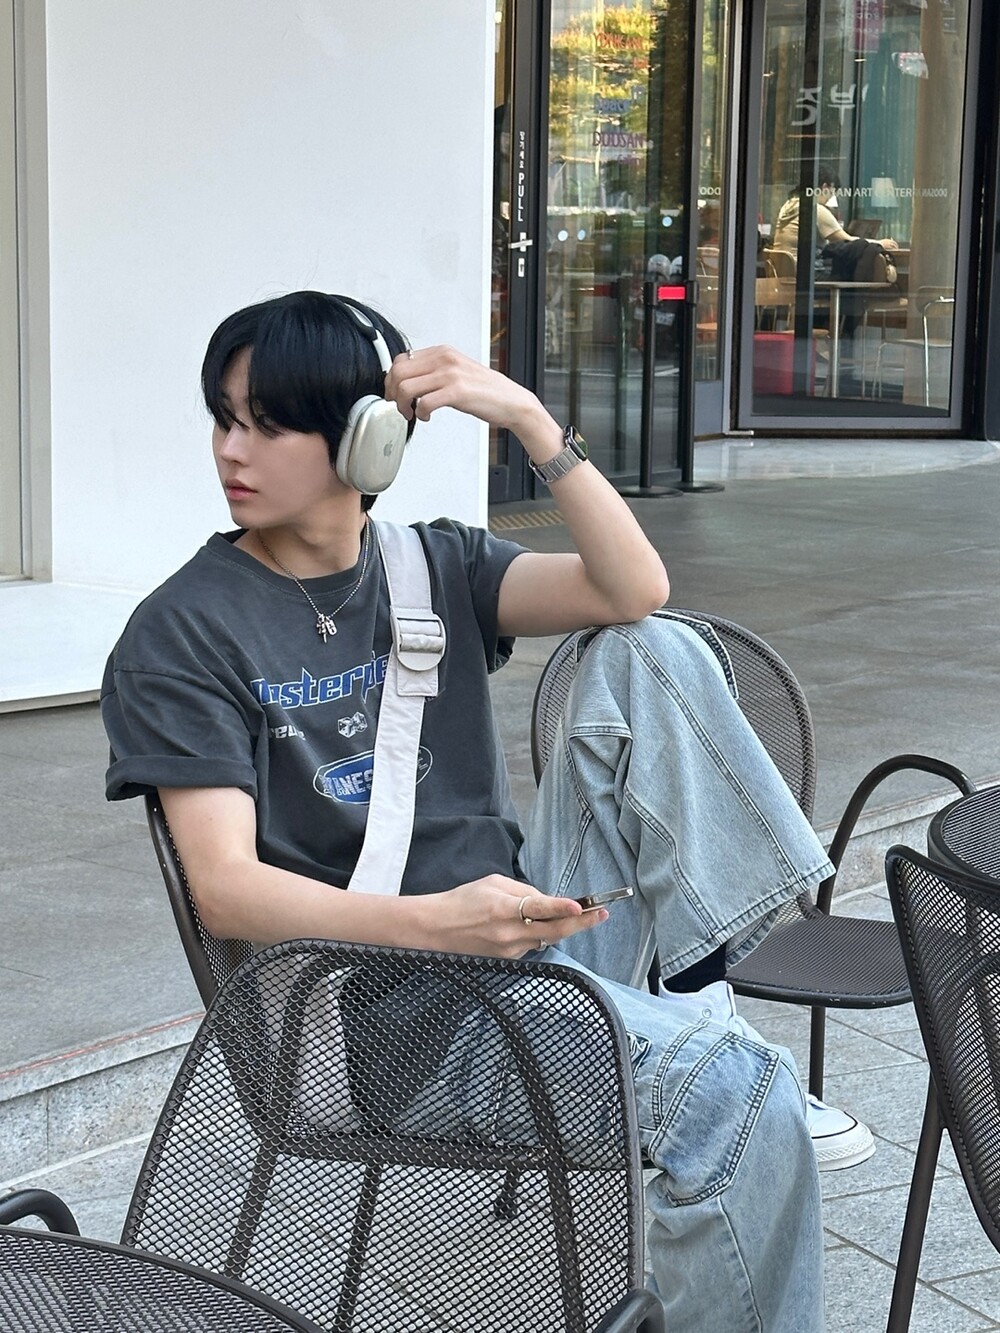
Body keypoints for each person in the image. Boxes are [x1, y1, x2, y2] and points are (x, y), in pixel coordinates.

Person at [102, 290, 870, 1330]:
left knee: (653, 645)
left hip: (524, 941)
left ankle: (701, 992)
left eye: (267, 424)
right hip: (387, 1014)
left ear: (368, 440)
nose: (230, 450)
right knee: (742, 1098)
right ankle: (711, 1045)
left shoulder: (434, 566)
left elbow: (633, 586)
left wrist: (529, 421)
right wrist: (437, 923)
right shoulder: (184, 630)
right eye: (224, 418)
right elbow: (226, 891)